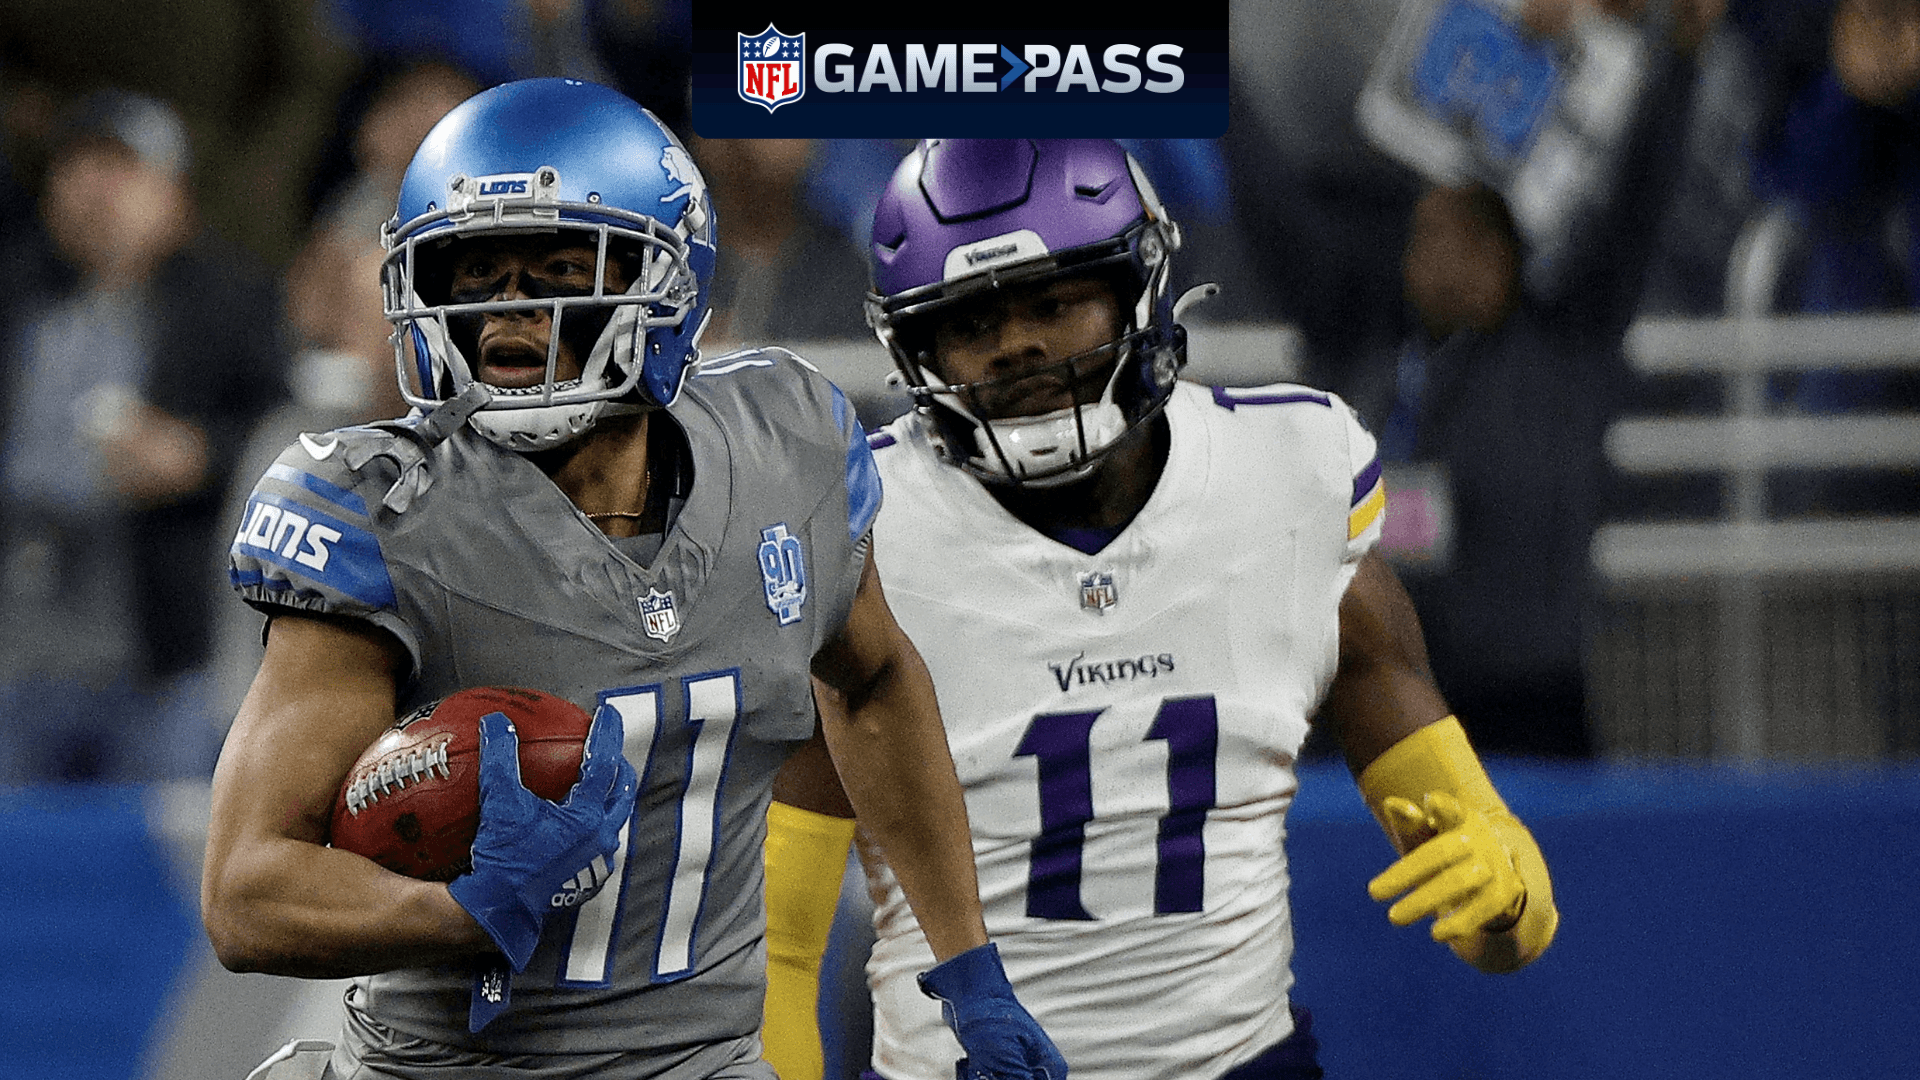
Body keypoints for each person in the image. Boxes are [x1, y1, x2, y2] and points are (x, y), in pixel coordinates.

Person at [201, 80, 1065, 1080]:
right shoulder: (384, 512)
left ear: (669, 285)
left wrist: (969, 966)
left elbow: (872, 681)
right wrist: (461, 913)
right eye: (476, 273)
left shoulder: (785, 445)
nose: (511, 314)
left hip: (706, 1060)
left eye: (560, 270)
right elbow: (245, 892)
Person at [760, 139, 1560, 1080]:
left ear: (1136, 289)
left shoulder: (1285, 479)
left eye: (1054, 303)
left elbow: (1486, 878)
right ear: (916, 348)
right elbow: (777, 952)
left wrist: (1510, 904)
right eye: (972, 321)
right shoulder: (863, 534)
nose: (1017, 344)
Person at [0, 88, 286, 782]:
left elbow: (290, 432)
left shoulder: (229, 302)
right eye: (77, 166)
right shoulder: (17, 294)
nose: (96, 190)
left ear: (175, 195)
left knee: (161, 837)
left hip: (162, 650)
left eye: (121, 168)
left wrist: (199, 456)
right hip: (19, 647)